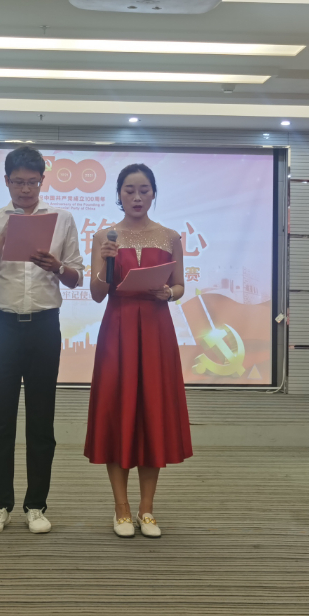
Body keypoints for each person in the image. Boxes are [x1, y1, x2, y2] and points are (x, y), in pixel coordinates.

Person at [0, 146, 84, 535]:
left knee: (40, 421)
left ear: (42, 181)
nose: (25, 189)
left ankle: (36, 505)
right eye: (18, 182)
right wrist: (5, 237)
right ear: (6, 181)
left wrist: (58, 266)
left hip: (43, 326)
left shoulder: (62, 220)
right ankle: (0, 505)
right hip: (2, 326)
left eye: (32, 182)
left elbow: (76, 278)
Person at [86, 164, 192, 538]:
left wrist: (168, 293)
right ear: (119, 194)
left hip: (156, 330)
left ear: (153, 194)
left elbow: (179, 286)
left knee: (152, 413)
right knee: (117, 411)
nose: (136, 197)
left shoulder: (170, 237)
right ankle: (121, 509)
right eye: (129, 190)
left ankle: (147, 510)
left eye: (144, 190)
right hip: (117, 330)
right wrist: (107, 260)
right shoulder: (104, 237)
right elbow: (97, 294)